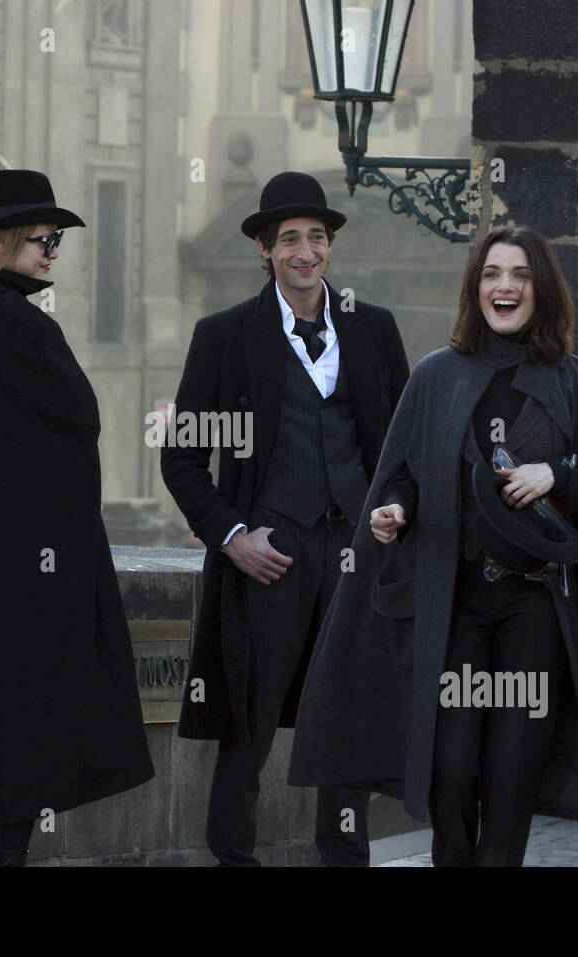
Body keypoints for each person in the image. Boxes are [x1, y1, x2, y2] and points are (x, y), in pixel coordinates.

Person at [287, 225, 578, 865]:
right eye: (493, 274)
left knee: (509, 777)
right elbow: (404, 474)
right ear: (476, 288)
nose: (505, 286)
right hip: (454, 602)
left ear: (541, 289)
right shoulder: (438, 377)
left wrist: (559, 476)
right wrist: (392, 512)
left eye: (520, 275)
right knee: (449, 770)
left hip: (535, 609)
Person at [160, 171, 410, 866]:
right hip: (271, 552)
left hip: (355, 552)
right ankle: (233, 856)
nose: (307, 252)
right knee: (250, 721)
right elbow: (181, 461)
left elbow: (401, 453)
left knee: (348, 717)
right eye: (291, 239)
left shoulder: (373, 328)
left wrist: (391, 515)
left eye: (318, 238)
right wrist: (234, 537)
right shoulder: (224, 336)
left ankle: (344, 858)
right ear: (264, 251)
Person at [0, 169, 154, 867]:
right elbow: (75, 421)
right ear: (2, 240)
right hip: (23, 577)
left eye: (56, 239)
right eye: (43, 238)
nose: (53, 249)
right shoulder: (9, 319)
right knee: (21, 738)